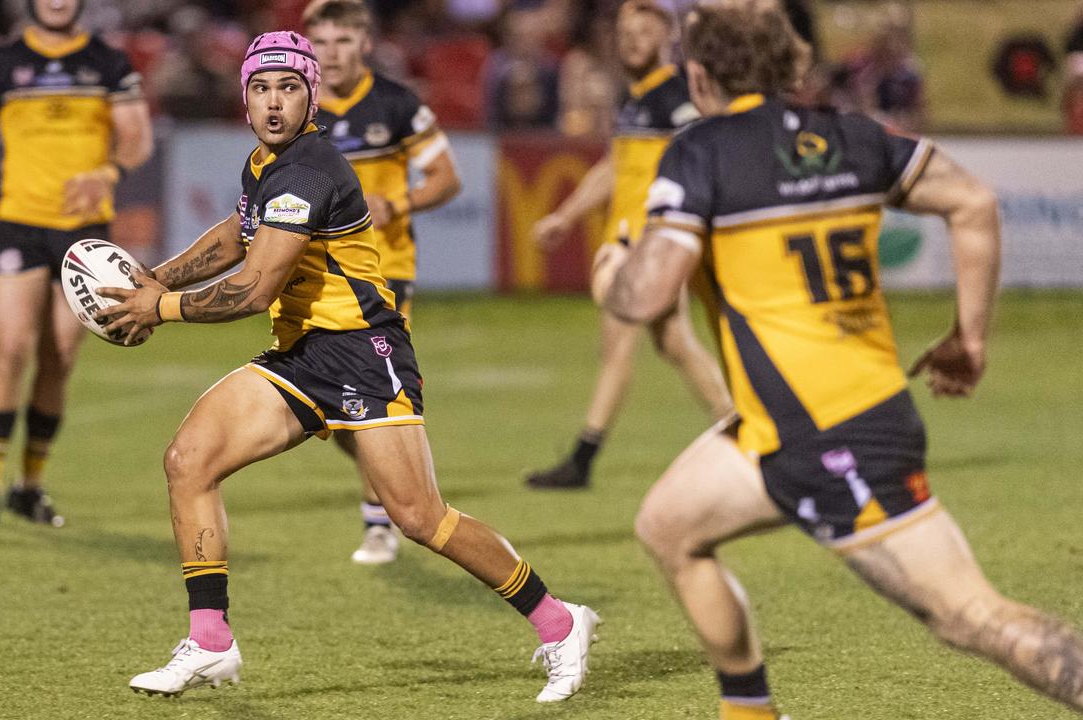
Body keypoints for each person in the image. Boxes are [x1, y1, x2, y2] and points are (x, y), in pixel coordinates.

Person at [597, 5, 1083, 718]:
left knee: (969, 617)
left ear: (698, 76)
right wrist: (969, 339)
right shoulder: (852, 137)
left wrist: (613, 268)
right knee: (669, 527)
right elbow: (973, 201)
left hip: (833, 439)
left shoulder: (701, 152)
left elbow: (645, 296)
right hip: (790, 425)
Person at [95, 31, 599, 702]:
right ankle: (211, 640)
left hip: (364, 353)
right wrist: (152, 279)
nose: (274, 103)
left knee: (420, 518)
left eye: (289, 88)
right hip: (302, 355)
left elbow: (254, 288)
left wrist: (160, 309)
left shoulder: (309, 170)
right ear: (245, 98)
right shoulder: (264, 163)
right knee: (189, 460)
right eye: (261, 89)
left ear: (312, 96)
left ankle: (560, 622)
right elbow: (232, 234)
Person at [0, 0, 153, 527]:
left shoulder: (109, 63)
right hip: (17, 222)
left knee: (59, 360)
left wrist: (109, 171)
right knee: (10, 347)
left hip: (84, 231)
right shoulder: (1, 62)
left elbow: (137, 139)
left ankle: (30, 485)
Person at [526, 0, 732, 490]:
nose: (632, 40)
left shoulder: (677, 98)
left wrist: (670, 234)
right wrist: (566, 215)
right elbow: (615, 166)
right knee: (674, 342)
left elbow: (706, 158)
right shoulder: (638, 99)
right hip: (636, 237)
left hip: (654, 240)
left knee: (621, 338)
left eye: (644, 31)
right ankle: (739, 428)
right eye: (625, 32)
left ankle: (583, 457)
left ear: (667, 38)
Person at [305, 0, 462, 566]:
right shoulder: (300, 106)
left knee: (371, 393)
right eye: (321, 43)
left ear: (364, 43)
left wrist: (397, 202)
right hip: (312, 276)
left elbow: (447, 178)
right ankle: (401, 472)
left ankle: (379, 525)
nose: (333, 54)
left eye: (343, 41)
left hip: (381, 273)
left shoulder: (397, 104)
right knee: (333, 411)